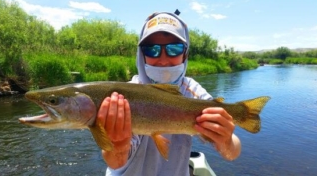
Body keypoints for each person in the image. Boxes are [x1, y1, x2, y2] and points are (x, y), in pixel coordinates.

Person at [97, 11, 241, 176]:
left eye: (174, 49)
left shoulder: (191, 91)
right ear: (142, 55)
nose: (163, 59)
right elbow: (116, 163)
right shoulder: (124, 98)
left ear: (185, 53)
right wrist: (118, 147)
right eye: (152, 50)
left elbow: (232, 153)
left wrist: (226, 141)